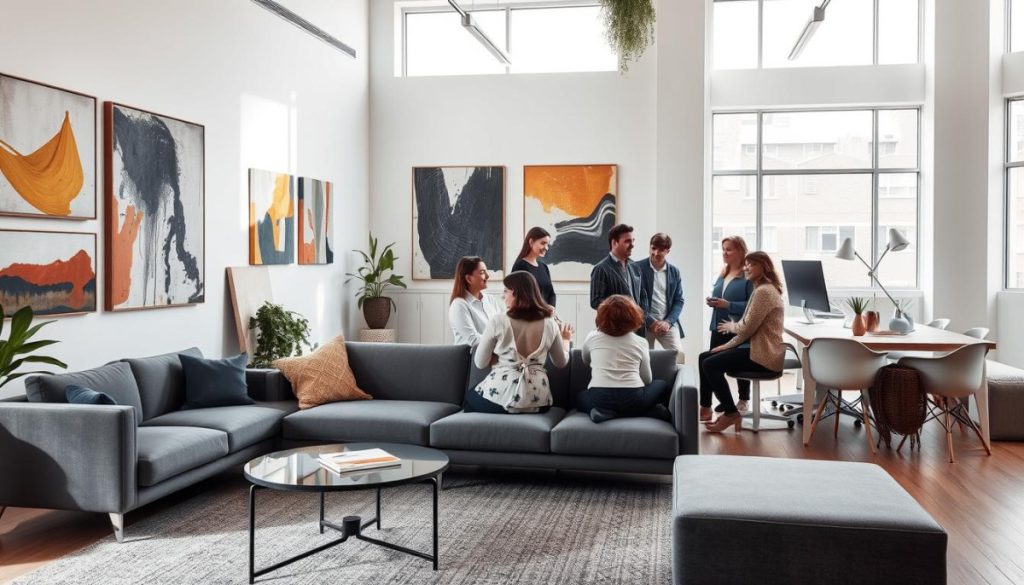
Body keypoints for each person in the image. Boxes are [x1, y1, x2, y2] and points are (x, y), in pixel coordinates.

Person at [698, 251, 785, 432]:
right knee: (704, 357)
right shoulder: (762, 289)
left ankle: (730, 413)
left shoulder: (764, 292)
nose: (746, 268)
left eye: (751, 264)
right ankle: (707, 408)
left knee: (709, 364)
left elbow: (746, 328)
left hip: (763, 356)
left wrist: (731, 328)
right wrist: (726, 345)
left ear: (763, 266)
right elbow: (748, 329)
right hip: (754, 349)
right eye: (746, 264)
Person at [467, 271, 573, 414]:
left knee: (469, 398)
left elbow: (480, 363)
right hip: (540, 401)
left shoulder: (498, 321)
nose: (502, 296)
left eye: (506, 291)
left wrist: (497, 354)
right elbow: (561, 362)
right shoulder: (550, 323)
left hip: (503, 397)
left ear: (517, 293)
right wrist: (566, 339)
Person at [576, 295, 671, 423]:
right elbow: (647, 379)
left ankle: (605, 412)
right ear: (633, 317)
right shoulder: (641, 342)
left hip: (600, 398)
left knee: (580, 396)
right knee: (661, 384)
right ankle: (646, 411)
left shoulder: (592, 337)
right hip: (634, 398)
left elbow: (585, 360)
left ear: (601, 317)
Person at [705, 235, 755, 414]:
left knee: (738, 368)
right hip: (718, 325)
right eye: (723, 249)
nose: (724, 253)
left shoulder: (748, 276)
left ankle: (743, 399)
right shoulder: (723, 272)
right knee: (711, 363)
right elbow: (720, 295)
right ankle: (724, 400)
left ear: (740, 251)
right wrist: (712, 301)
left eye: (729, 249)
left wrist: (729, 305)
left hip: (737, 327)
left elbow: (753, 304)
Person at [589, 224, 650, 333]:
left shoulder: (635, 266)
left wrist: (640, 315)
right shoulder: (601, 269)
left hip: (637, 328)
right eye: (627, 241)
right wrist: (625, 313)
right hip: (615, 330)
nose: (632, 245)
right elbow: (595, 301)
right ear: (614, 243)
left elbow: (643, 295)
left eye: (633, 240)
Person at [637, 233, 684, 352]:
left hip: (666, 323)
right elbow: (632, 299)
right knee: (643, 360)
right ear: (649, 247)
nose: (656, 253)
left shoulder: (674, 271)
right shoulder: (636, 268)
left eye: (661, 250)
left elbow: (679, 300)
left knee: (677, 355)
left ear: (668, 251)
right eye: (653, 248)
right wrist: (649, 321)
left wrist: (668, 322)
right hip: (643, 323)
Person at [449, 256, 502, 346]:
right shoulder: (459, 305)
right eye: (482, 272)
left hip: (493, 354)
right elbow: (474, 340)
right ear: (469, 279)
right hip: (470, 357)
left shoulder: (490, 300)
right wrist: (502, 342)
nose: (487, 276)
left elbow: (503, 327)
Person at [511, 227, 557, 307]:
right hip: (529, 317)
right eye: (543, 243)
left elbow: (551, 293)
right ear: (531, 242)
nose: (546, 248)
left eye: (548, 244)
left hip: (545, 315)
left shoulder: (544, 267)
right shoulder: (520, 266)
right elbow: (519, 296)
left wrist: (551, 307)